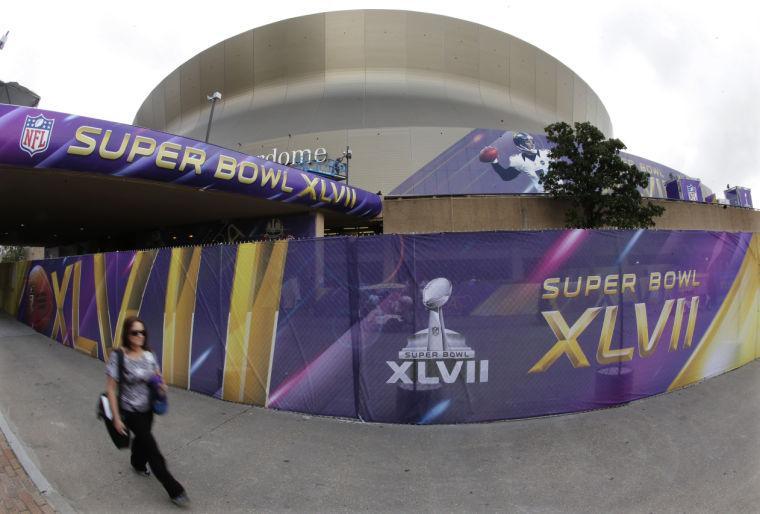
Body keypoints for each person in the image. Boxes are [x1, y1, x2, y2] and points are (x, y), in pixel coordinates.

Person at [106, 316, 190, 507]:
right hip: (130, 410)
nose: (140, 336)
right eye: (135, 332)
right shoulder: (118, 356)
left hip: (149, 409)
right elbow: (111, 388)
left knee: (143, 439)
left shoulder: (149, 355)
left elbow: (157, 376)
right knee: (153, 449)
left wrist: (162, 387)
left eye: (142, 332)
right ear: (127, 334)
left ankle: (136, 463)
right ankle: (175, 490)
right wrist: (116, 419)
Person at [478, 131, 551, 193]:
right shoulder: (518, 160)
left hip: (559, 190)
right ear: (521, 144)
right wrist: (494, 162)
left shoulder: (546, 153)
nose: (531, 144)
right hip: (543, 194)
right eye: (528, 142)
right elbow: (506, 176)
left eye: (531, 141)